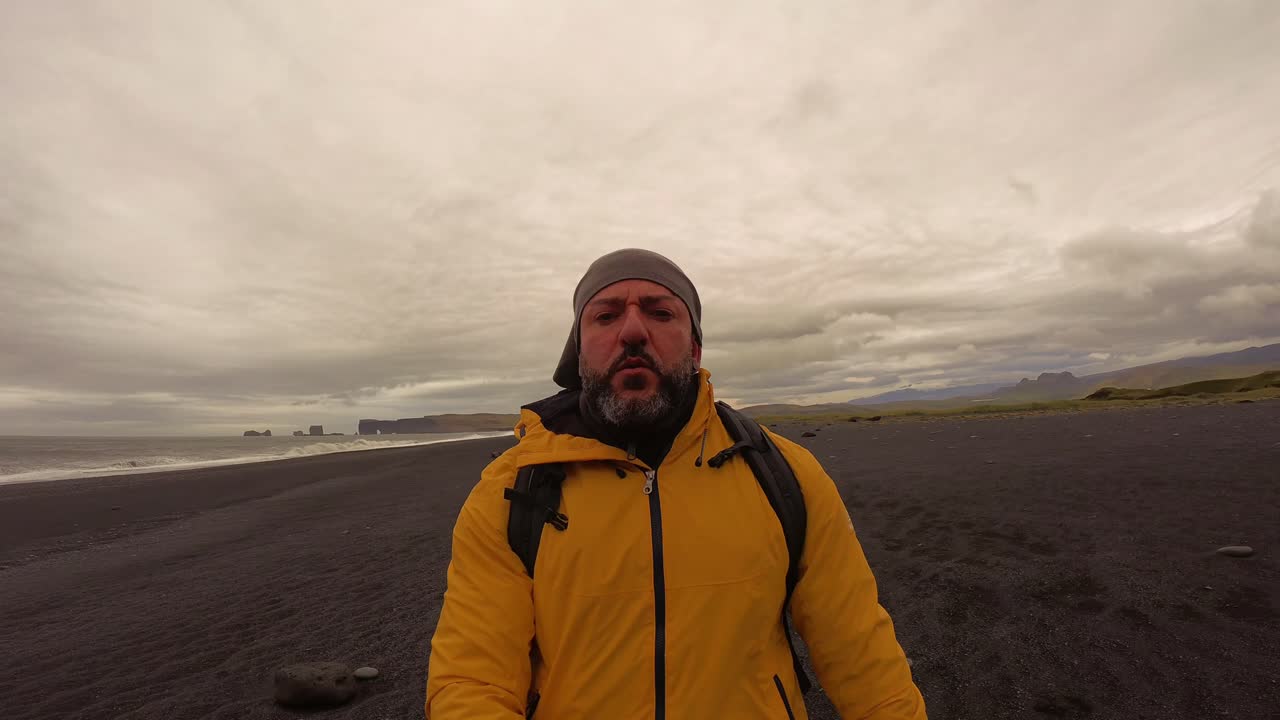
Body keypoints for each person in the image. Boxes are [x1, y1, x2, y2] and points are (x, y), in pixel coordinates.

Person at [425, 249, 926, 719]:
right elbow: (472, 679)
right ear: (579, 351)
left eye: (662, 312)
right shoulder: (511, 491)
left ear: (696, 345)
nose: (634, 331)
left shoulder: (784, 474)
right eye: (606, 315)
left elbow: (859, 647)